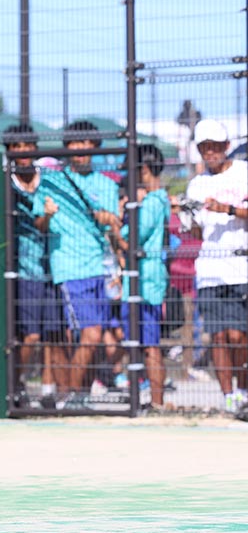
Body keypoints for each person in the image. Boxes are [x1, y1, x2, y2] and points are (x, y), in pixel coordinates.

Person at [33, 120, 121, 396]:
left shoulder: (107, 184)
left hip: (100, 268)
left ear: (95, 146)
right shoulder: (52, 181)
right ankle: (69, 395)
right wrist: (48, 215)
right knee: (89, 334)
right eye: (74, 143)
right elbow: (39, 224)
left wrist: (108, 219)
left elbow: (114, 226)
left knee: (95, 337)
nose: (80, 149)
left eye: (86, 143)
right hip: (69, 268)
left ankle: (80, 395)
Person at [185, 119, 248, 411]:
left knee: (239, 336)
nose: (209, 153)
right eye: (204, 148)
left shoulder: (243, 172)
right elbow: (197, 232)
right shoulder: (196, 185)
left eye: (214, 146)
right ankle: (228, 397)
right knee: (219, 336)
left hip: (241, 266)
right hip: (210, 270)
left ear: (226, 146)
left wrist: (229, 209)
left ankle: (243, 390)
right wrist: (186, 219)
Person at [4, 123, 67, 406]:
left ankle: (51, 392)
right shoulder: (5, 183)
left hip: (54, 269)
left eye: (28, 146)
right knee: (29, 336)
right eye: (16, 147)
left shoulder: (50, 180)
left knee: (53, 334)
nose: (23, 152)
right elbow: (40, 223)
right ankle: (16, 386)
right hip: (23, 272)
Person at [110, 144, 170, 406]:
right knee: (140, 343)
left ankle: (156, 403)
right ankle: (148, 400)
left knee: (149, 346)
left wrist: (114, 225)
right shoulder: (159, 200)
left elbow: (130, 241)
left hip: (145, 284)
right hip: (144, 280)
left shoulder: (153, 203)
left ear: (143, 169)